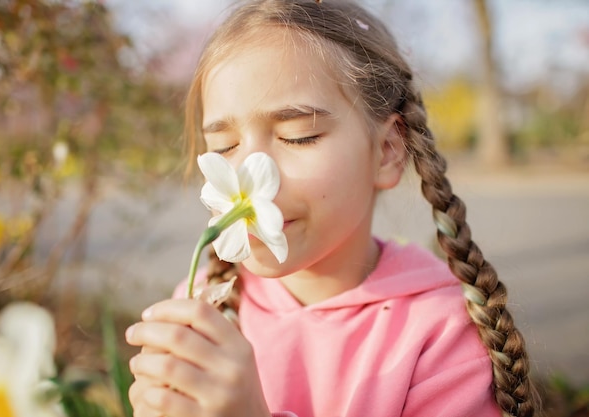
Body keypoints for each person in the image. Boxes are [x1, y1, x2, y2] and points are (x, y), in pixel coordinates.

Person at [125, 1, 540, 416]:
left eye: (298, 135)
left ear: (387, 153)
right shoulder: (202, 304)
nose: (252, 173)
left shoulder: (439, 334)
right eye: (224, 147)